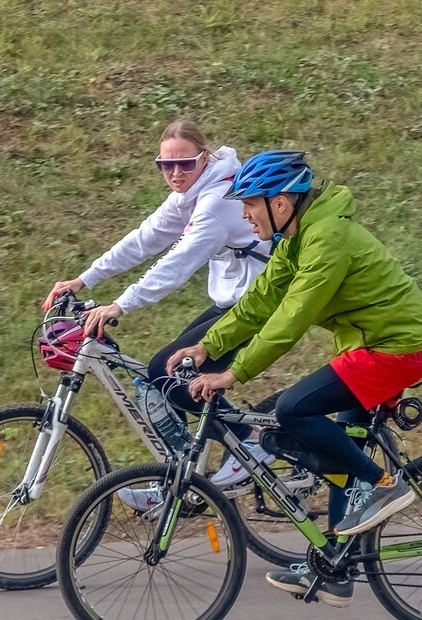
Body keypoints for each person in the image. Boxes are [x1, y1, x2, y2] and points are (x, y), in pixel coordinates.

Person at [169, 150, 422, 608]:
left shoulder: (327, 237)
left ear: (280, 203)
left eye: (250, 204)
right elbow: (261, 300)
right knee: (339, 447)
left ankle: (384, 485)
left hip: (397, 348)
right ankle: (335, 568)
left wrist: (234, 373)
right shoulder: (295, 239)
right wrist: (208, 346)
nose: (244, 214)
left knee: (293, 409)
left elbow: (292, 318)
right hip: (367, 347)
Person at [42, 120, 279, 495]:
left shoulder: (216, 202)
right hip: (234, 302)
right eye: (166, 166)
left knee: (165, 375)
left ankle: (244, 445)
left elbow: (177, 264)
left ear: (205, 157)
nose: (175, 173)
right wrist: (83, 280)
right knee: (172, 376)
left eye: (185, 163)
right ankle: (184, 481)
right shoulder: (192, 193)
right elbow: (144, 239)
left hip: (259, 305)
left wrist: (120, 305)